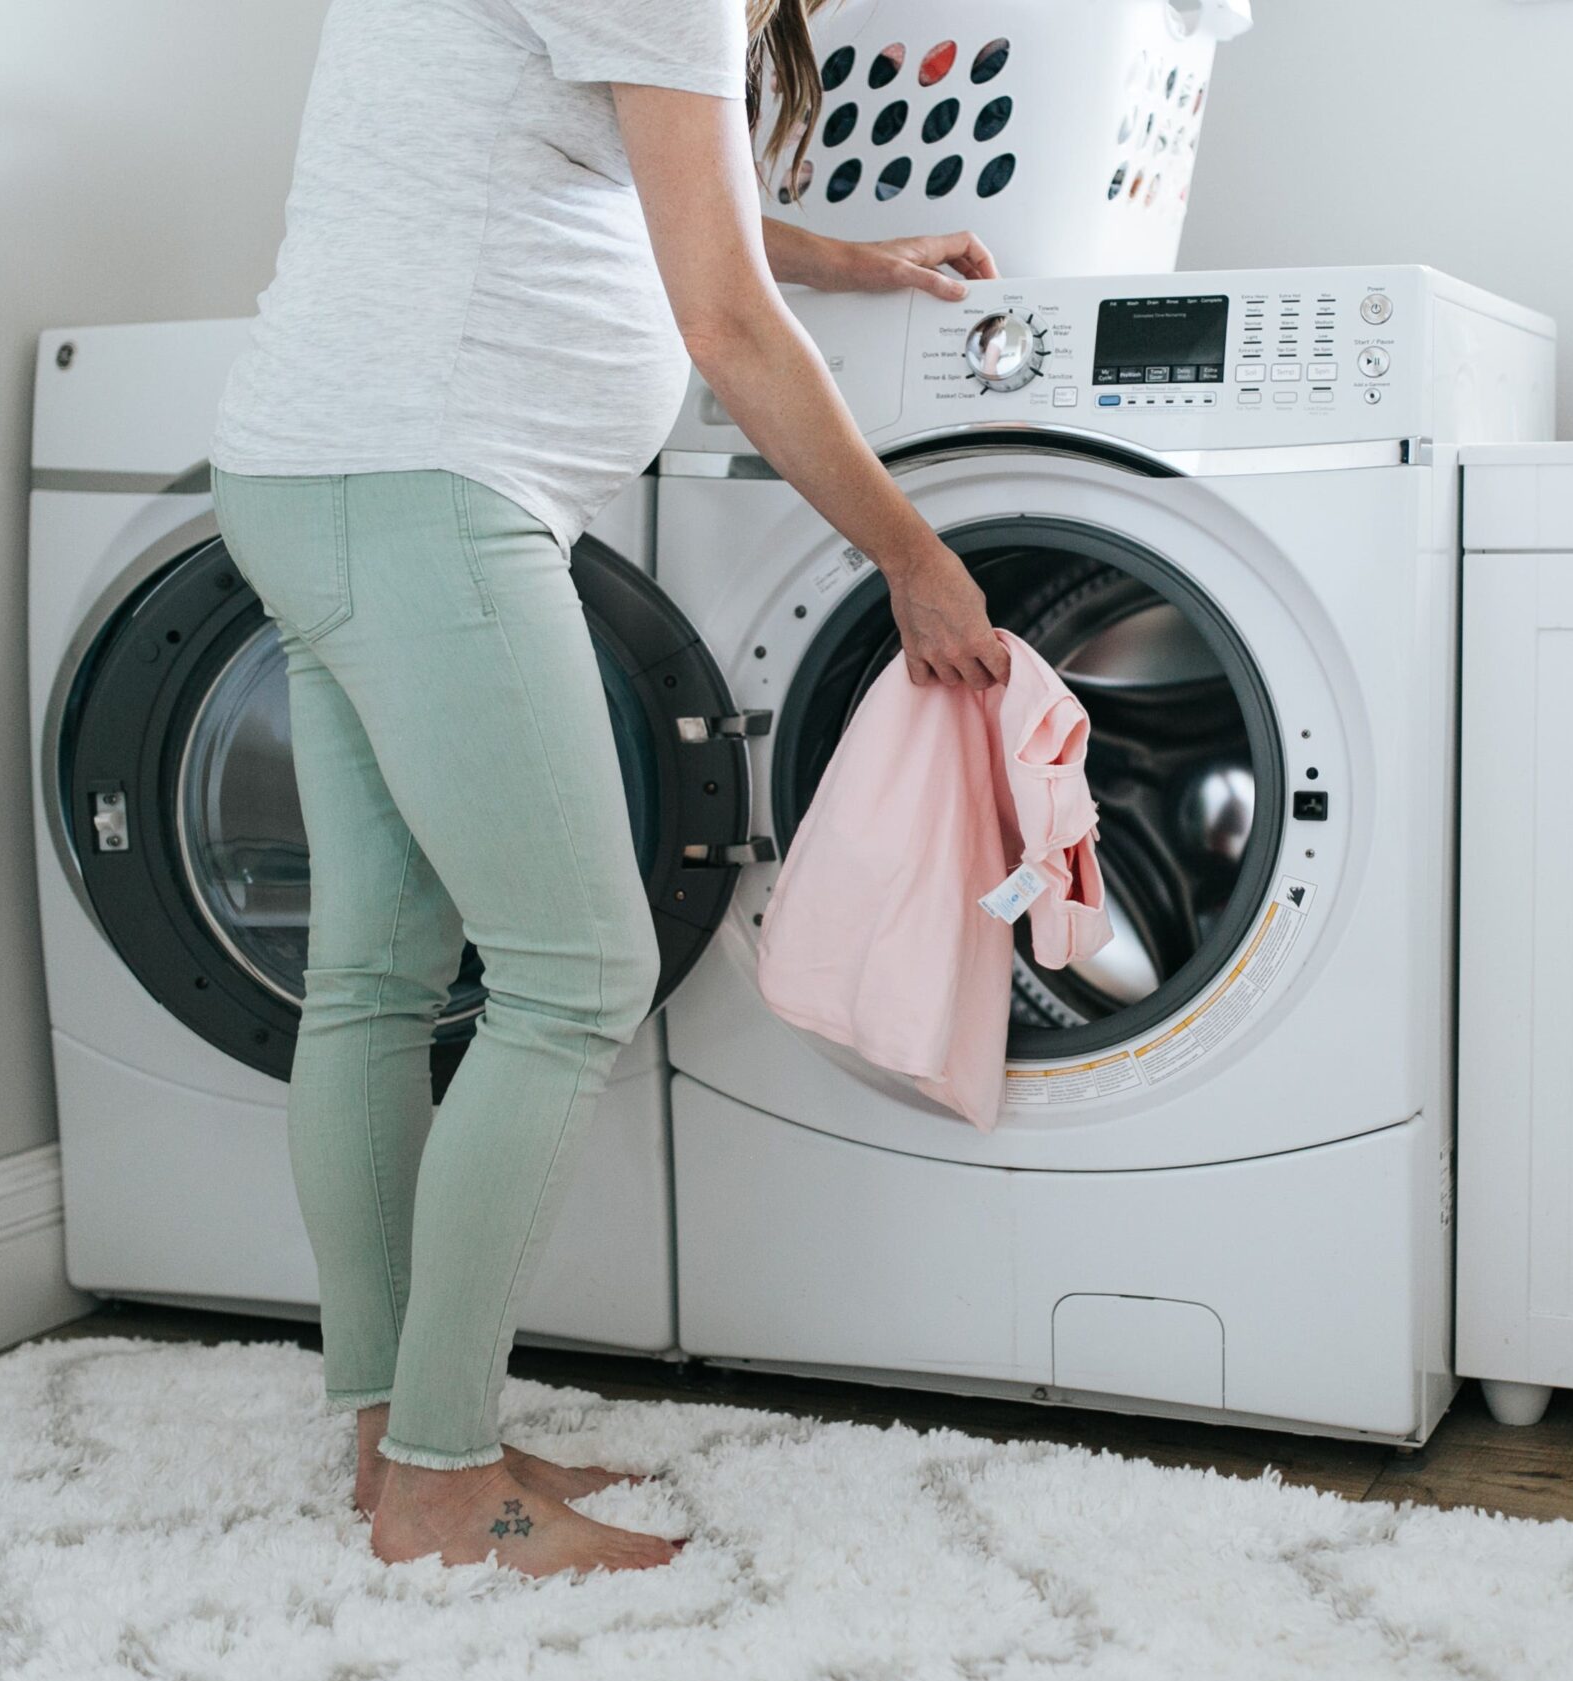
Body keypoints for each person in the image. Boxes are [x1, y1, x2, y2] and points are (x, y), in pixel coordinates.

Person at [207, 0, 1010, 1580]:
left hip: (317, 469)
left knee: (373, 975)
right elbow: (720, 319)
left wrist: (854, 263)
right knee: (578, 973)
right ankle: (443, 1477)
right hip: (431, 493)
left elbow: (660, 186)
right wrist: (914, 557)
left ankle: (397, 1436)